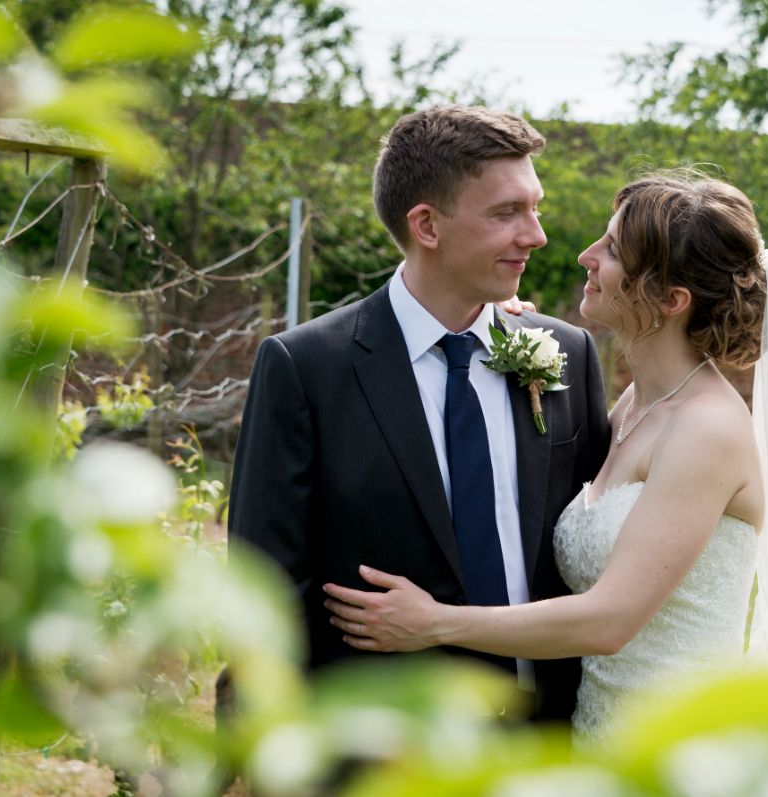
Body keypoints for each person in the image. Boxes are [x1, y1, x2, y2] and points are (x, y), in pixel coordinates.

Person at [323, 172, 768, 794]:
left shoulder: (709, 430)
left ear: (670, 299)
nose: (586, 256)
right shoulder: (638, 405)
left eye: (612, 250)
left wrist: (435, 622)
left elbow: (610, 620)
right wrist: (490, 334)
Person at [227, 104, 612, 723]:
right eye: (507, 212)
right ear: (427, 225)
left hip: (549, 742)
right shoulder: (306, 368)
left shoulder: (568, 353)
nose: (536, 235)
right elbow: (261, 590)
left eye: (534, 207)